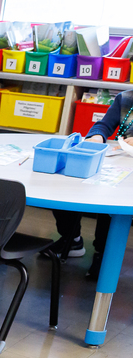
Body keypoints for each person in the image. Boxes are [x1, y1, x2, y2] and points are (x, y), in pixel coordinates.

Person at [43, 90, 133, 280]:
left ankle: (104, 254)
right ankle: (72, 239)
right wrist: (97, 137)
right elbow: (103, 125)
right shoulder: (125, 98)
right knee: (64, 180)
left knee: (112, 201)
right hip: (120, 166)